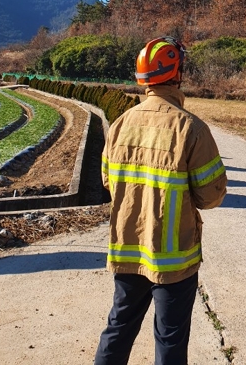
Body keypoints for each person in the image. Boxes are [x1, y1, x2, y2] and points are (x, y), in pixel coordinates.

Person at [94, 36, 227, 365]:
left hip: (128, 249)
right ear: (177, 73)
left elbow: (108, 181)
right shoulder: (190, 128)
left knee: (118, 327)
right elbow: (211, 195)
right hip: (173, 261)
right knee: (169, 339)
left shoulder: (121, 124)